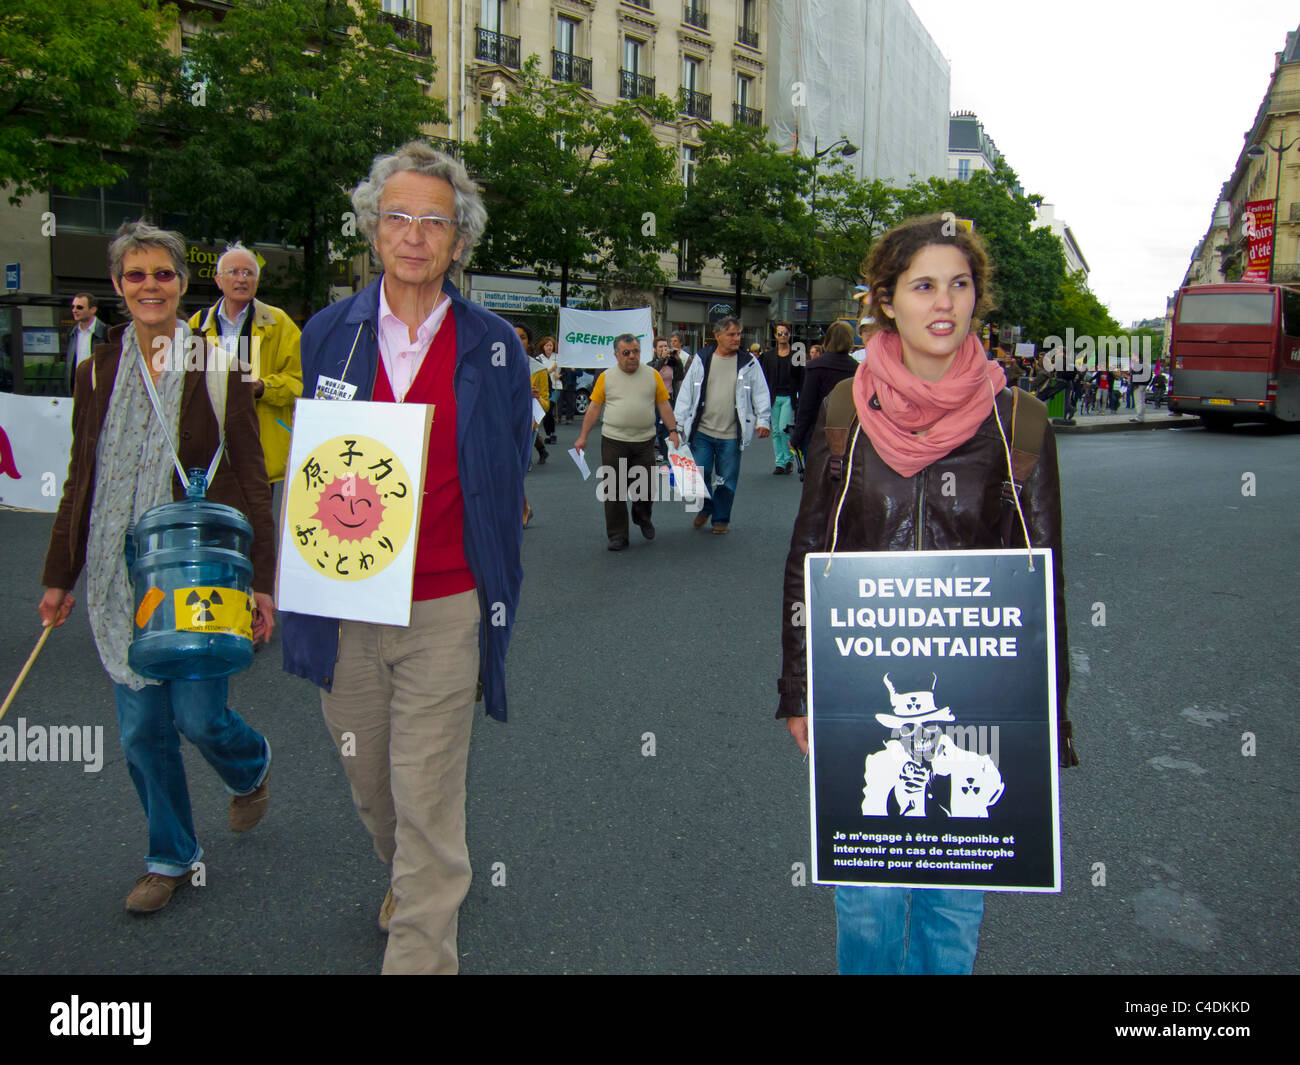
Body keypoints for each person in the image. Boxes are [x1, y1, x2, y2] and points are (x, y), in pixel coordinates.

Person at [777, 214, 1076, 975]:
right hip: (859, 696)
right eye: (922, 285)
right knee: (869, 905)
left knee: (950, 909)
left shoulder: (1022, 423)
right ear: (886, 300)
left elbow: (1044, 584)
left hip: (974, 703)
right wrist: (800, 686)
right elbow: (810, 550)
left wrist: (1050, 717)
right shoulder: (847, 411)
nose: (944, 302)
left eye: (960, 283)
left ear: (977, 298)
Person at [279, 141, 532, 974]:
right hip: (346, 600)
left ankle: (422, 936)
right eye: (398, 217)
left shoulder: (494, 346)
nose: (415, 235)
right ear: (372, 230)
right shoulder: (327, 335)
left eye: (435, 221)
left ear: (460, 241)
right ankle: (407, 869)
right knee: (372, 783)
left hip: (447, 604)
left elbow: (503, 473)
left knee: (428, 795)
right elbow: (309, 468)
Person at [40, 221, 275, 915]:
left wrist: (262, 580)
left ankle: (249, 763)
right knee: (143, 729)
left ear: (181, 283)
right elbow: (82, 476)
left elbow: (253, 478)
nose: (150, 286)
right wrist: (61, 573)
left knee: (202, 718)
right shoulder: (94, 371)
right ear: (117, 286)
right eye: (135, 275)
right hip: (122, 576)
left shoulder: (215, 364)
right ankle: (170, 854)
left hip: (197, 568)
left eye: (163, 274)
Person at [189, 243, 303, 524]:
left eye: (249, 273)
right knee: (215, 529)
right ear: (218, 280)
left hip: (259, 447)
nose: (242, 279)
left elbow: (300, 381)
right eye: (234, 272)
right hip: (211, 449)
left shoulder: (279, 322)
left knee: (257, 529)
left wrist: (263, 387)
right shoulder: (197, 324)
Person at [574, 333, 681, 550]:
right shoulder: (606, 377)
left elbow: (664, 405)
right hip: (614, 440)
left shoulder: (653, 375)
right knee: (613, 489)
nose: (632, 356)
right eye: (626, 352)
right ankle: (618, 535)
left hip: (644, 440)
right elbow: (594, 407)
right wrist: (583, 436)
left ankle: (642, 516)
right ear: (616, 355)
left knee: (647, 486)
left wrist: (673, 430)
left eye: (636, 352)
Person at [673, 316, 771, 535]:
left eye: (738, 334)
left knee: (727, 480)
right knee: (700, 473)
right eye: (731, 334)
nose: (737, 338)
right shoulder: (702, 358)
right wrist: (677, 425)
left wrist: (763, 420)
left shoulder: (748, 362)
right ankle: (707, 507)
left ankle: (721, 519)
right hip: (702, 431)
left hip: (731, 434)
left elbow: (761, 392)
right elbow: (686, 393)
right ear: (717, 336)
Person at [789, 320, 858, 456]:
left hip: (817, 431)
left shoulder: (815, 367)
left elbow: (806, 406)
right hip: (847, 433)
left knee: (815, 474)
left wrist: (797, 437)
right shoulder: (857, 369)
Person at [762, 322, 803, 475]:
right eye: (779, 333)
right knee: (776, 432)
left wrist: (800, 397)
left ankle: (788, 460)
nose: (783, 336)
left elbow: (801, 377)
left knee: (783, 429)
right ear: (775, 336)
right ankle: (780, 463)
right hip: (774, 396)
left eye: (785, 333)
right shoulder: (769, 356)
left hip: (788, 397)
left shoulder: (796, 354)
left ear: (790, 335)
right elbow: (764, 378)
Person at [65, 292, 109, 394]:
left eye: (79, 307)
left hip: (98, 387)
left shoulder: (105, 332)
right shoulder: (72, 333)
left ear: (93, 309)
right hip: (77, 387)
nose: (74, 310)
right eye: (73, 307)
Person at [538, 335, 560, 442]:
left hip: (556, 387)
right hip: (544, 388)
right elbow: (540, 374)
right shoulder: (539, 359)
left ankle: (552, 433)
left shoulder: (558, 357)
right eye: (547, 345)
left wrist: (560, 375)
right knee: (546, 412)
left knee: (549, 410)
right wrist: (551, 369)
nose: (549, 348)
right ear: (543, 347)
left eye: (551, 345)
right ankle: (548, 433)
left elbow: (565, 371)